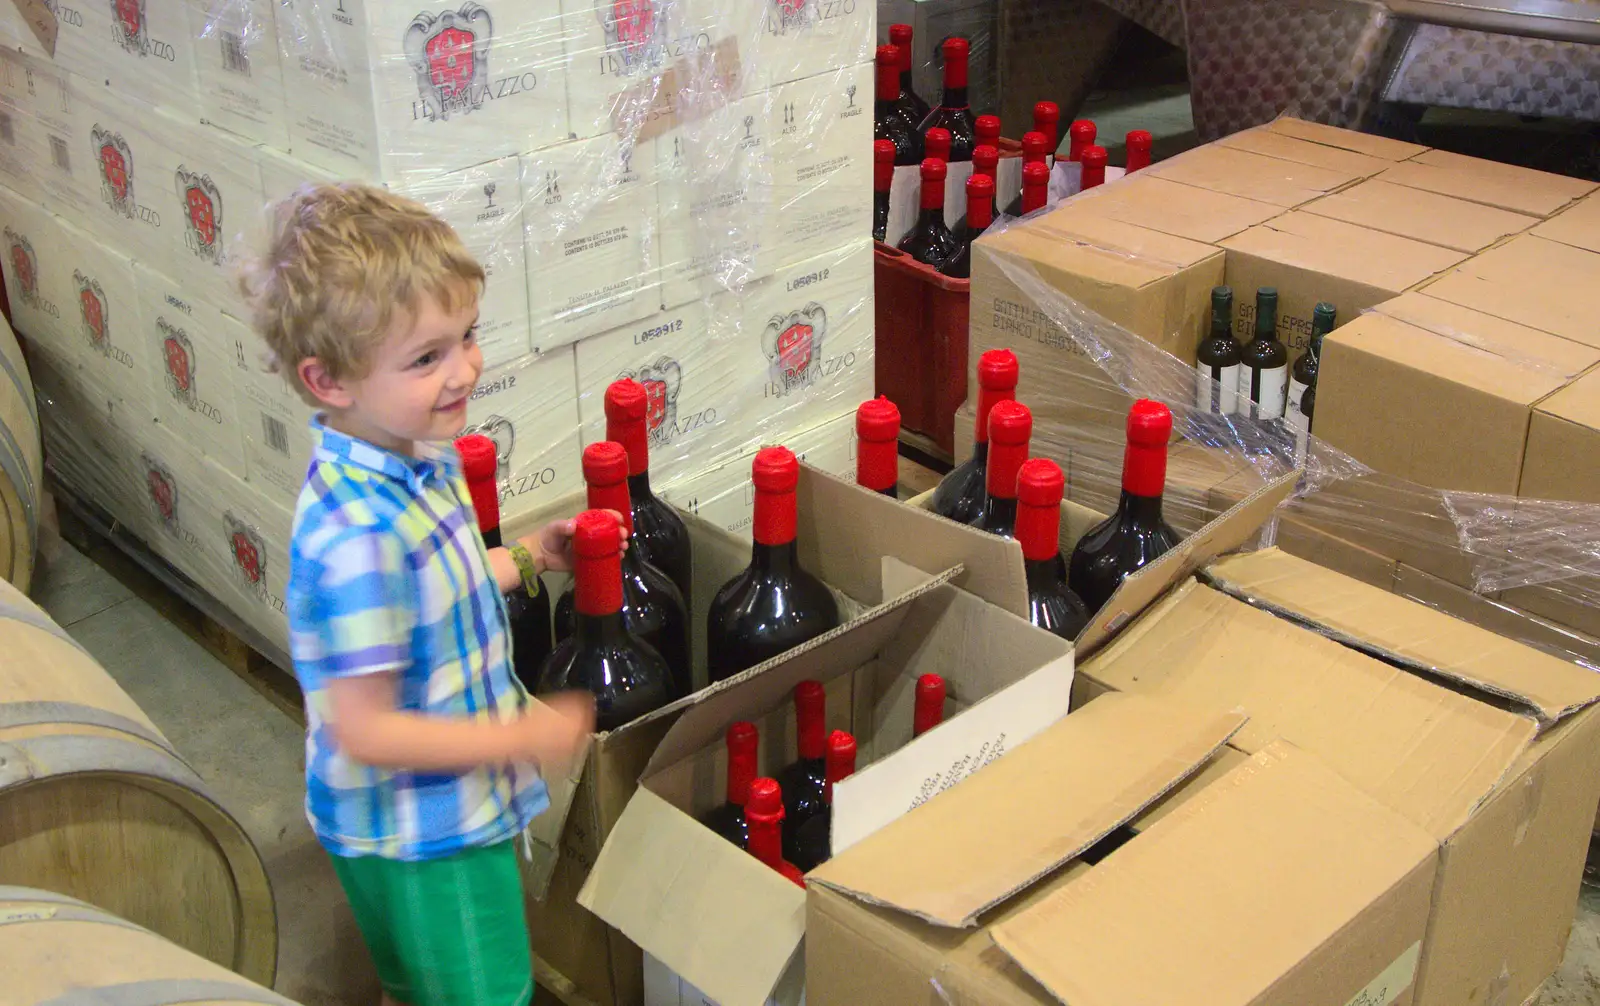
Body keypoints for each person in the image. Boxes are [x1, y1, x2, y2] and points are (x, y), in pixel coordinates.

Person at [239, 183, 596, 1006]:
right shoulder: (362, 537)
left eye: (467, 336)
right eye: (426, 357)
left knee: (424, 986)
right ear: (327, 379)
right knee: (486, 993)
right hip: (433, 837)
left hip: (409, 826)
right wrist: (517, 734)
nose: (465, 368)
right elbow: (365, 728)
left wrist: (530, 557)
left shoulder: (400, 458)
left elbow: (440, 597)